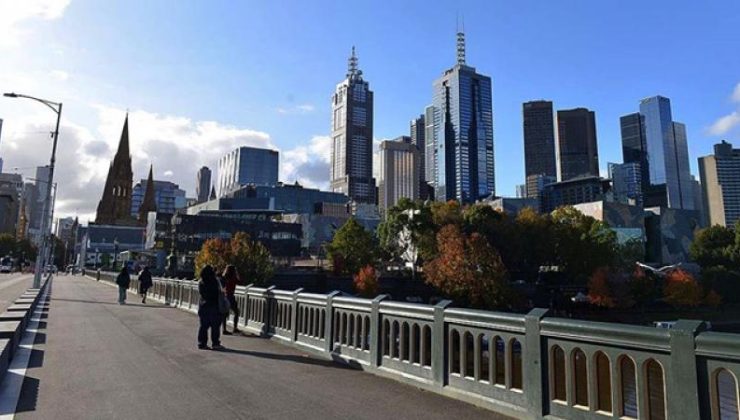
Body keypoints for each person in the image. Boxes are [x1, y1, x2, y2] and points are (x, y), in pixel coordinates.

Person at [197, 265, 224, 350]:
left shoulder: (201, 282)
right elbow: (220, 292)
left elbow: (201, 293)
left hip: (203, 305)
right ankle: (215, 343)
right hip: (214, 305)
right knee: (215, 326)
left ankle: (202, 343)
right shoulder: (215, 281)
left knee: (203, 326)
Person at [220, 265, 241, 335]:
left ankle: (224, 329)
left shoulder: (224, 277)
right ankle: (235, 328)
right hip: (230, 296)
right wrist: (237, 273)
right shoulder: (233, 278)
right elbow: (239, 281)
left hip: (225, 296)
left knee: (225, 313)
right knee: (236, 312)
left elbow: (221, 286)